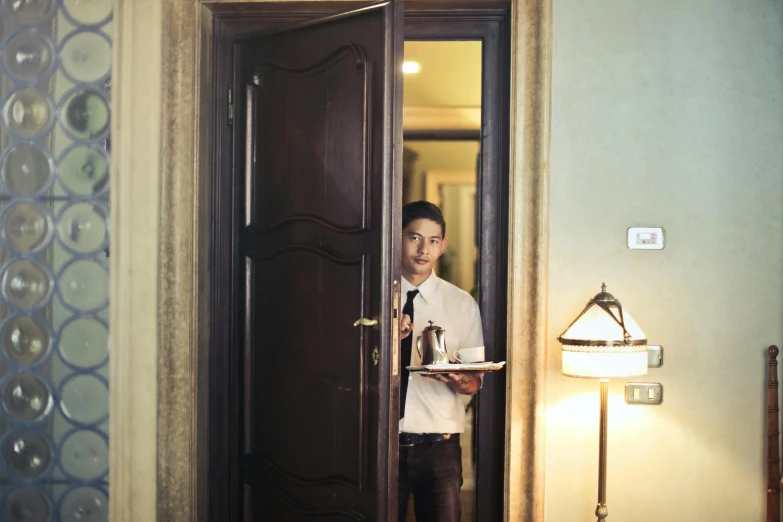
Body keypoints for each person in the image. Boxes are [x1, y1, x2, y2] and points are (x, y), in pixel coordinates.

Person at [397, 200, 484, 522]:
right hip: (378, 443)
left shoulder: (461, 304)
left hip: (439, 450)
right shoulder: (371, 295)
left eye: (433, 241)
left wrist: (456, 378)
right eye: (414, 237)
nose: (423, 249)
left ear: (443, 246)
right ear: (397, 237)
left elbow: (474, 383)